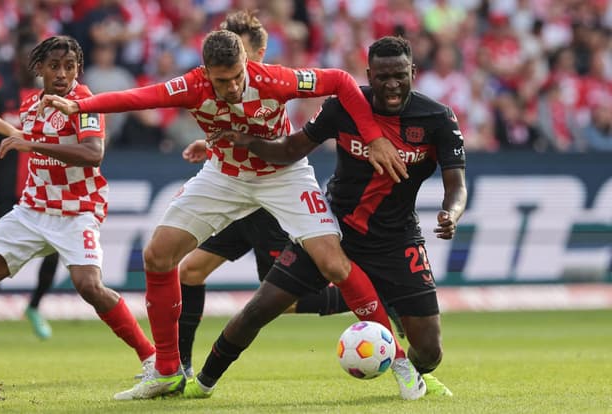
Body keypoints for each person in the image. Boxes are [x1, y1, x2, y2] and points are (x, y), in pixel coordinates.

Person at [39, 29, 418, 400]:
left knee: (334, 263)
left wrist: (374, 138)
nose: (233, 86)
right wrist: (81, 106)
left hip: (283, 177)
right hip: (225, 176)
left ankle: (400, 362)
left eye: (238, 76)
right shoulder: (192, 86)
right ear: (206, 72)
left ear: (246, 64)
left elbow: (340, 80)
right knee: (158, 254)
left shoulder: (274, 79)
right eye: (223, 81)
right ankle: (167, 370)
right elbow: (140, 97)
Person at [189, 35, 466, 399]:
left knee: (430, 351)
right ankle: (202, 383)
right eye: (382, 76)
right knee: (259, 309)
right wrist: (249, 141)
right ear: (369, 74)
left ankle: (412, 371)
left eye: (400, 75)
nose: (391, 84)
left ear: (412, 72)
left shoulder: (438, 119)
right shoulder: (344, 106)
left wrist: (451, 212)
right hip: (331, 231)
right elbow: (292, 149)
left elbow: (456, 184)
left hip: (397, 240)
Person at [176, 9, 351, 379]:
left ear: (257, 55)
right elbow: (232, 132)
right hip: (236, 198)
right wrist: (211, 149)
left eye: (240, 54)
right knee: (189, 270)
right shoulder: (225, 89)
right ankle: (181, 365)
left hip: (268, 201)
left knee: (280, 301)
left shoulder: (271, 86)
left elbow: (266, 139)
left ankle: (364, 297)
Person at [0, 35, 157, 374]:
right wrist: (22, 136)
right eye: (54, 66)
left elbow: (93, 154)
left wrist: (33, 146)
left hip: (77, 211)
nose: (62, 74)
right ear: (39, 68)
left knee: (89, 286)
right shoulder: (30, 106)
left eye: (69, 67)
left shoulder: (85, 103)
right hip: (32, 210)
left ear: (78, 70)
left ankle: (153, 359)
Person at [0, 33, 59, 346]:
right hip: (6, 190)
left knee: (55, 253)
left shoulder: (52, 99)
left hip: (42, 192)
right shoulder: (3, 95)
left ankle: (34, 306)